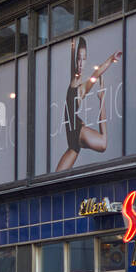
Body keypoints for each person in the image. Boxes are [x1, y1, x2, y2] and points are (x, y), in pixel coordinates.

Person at [55, 35, 122, 170]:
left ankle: (101, 98)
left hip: (79, 132)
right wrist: (72, 43)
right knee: (55, 178)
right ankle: (101, 97)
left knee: (103, 144)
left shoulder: (82, 89)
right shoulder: (73, 81)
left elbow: (96, 73)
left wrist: (111, 59)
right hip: (73, 145)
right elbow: (76, 65)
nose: (80, 64)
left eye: (84, 59)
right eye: (78, 59)